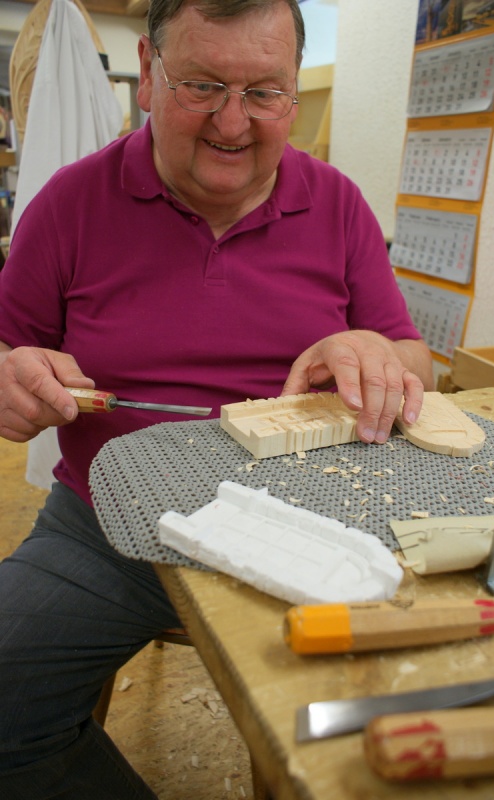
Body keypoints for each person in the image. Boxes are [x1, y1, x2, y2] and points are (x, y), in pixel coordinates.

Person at [0, 1, 434, 796]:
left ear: (294, 90)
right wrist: (10, 378)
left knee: (392, 723)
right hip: (109, 524)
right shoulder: (68, 203)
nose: (232, 124)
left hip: (319, 518)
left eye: (263, 92)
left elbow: (415, 362)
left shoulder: (338, 203)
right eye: (201, 85)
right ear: (148, 73)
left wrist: (378, 355)